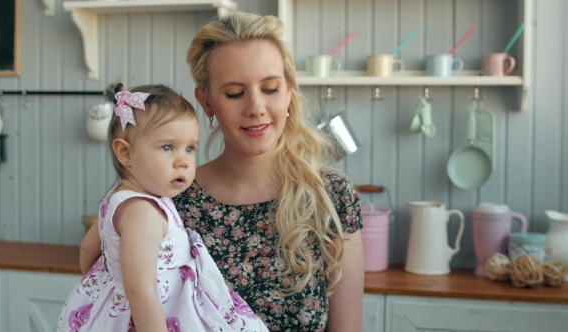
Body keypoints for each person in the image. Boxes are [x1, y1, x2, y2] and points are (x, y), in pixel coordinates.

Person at [178, 11, 365, 331]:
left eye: (270, 88)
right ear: (206, 101)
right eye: (235, 93)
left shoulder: (331, 196)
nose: (255, 107)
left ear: (289, 91)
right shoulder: (174, 198)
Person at [57, 84, 267, 332]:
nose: (183, 161)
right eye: (167, 147)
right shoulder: (142, 212)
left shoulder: (116, 199)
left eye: (189, 148)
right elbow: (141, 291)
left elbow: (88, 249)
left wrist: (102, 287)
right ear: (126, 153)